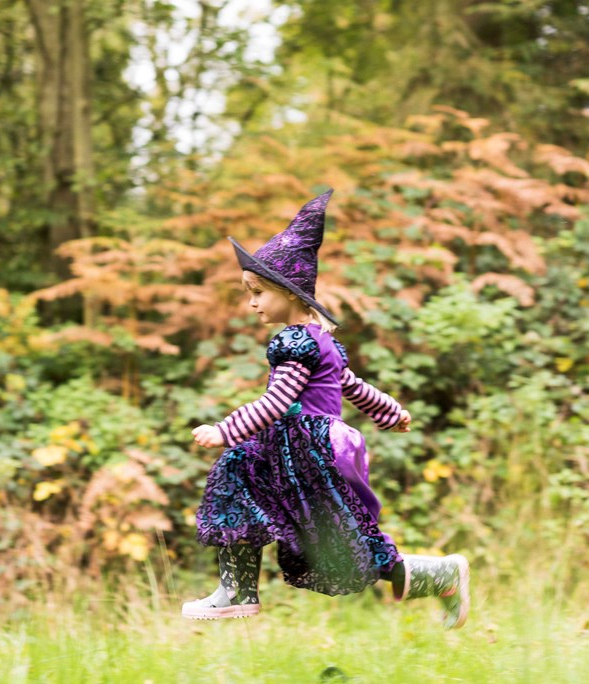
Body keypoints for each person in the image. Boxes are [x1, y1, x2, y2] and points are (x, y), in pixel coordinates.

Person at [183, 189, 470, 629]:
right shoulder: (322, 342)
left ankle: (442, 575)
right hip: (304, 453)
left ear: (289, 293)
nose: (252, 303)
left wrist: (226, 430)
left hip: (305, 457)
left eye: (258, 292)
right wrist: (390, 412)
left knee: (335, 544)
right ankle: (237, 589)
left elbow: (277, 402)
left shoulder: (295, 343)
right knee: (240, 478)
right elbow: (352, 386)